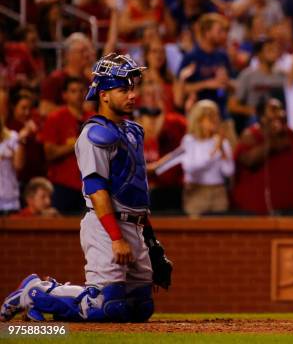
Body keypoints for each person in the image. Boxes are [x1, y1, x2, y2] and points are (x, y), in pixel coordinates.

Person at [0, 53, 171, 322]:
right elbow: (96, 188)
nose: (131, 95)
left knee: (140, 308)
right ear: (103, 94)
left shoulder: (133, 131)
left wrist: (151, 241)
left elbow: (136, 191)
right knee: (106, 305)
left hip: (135, 226)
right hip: (106, 224)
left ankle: (48, 302)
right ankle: (36, 292)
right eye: (123, 89)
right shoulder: (95, 133)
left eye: (132, 88)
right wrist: (116, 238)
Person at [151, 100, 234, 217]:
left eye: (216, 116)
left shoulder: (222, 142)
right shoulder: (190, 141)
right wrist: (214, 152)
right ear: (199, 120)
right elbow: (192, 168)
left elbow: (228, 171)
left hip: (218, 193)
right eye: (209, 117)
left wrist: (223, 152)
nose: (214, 120)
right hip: (196, 192)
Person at [39, 77, 92, 215]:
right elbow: (49, 153)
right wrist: (77, 143)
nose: (79, 95)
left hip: (89, 186)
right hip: (62, 185)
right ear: (65, 95)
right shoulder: (56, 118)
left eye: (82, 91)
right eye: (73, 91)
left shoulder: (93, 118)